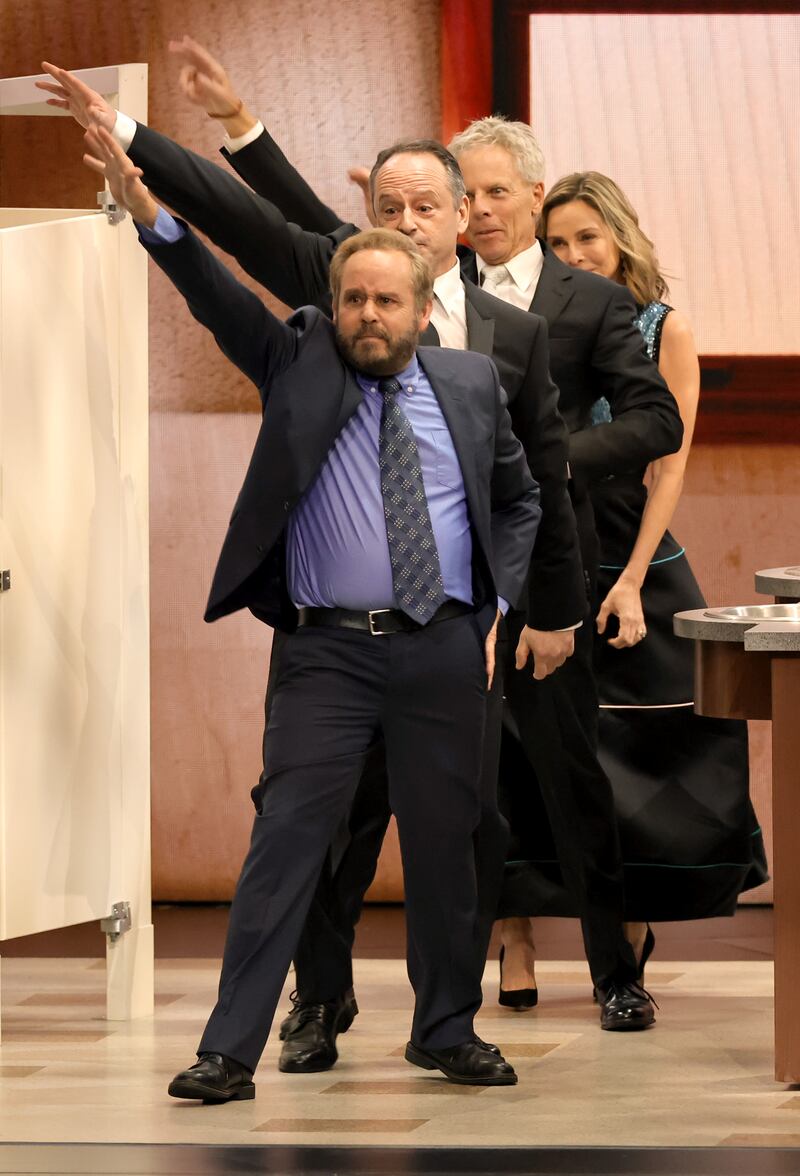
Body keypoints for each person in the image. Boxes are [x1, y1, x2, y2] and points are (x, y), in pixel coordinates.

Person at [39, 55, 683, 1037]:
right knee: (331, 822)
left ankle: (477, 1011)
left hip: (484, 611)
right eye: (389, 206)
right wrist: (137, 143)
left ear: (462, 215)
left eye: (427, 206)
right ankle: (318, 1003)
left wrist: (539, 608)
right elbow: (248, 223)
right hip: (344, 623)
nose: (407, 223)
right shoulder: (353, 297)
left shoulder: (509, 334)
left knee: (487, 815)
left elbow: (540, 484)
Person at [83, 123, 542, 1096]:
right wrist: (152, 220)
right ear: (331, 306)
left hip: (441, 650)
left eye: (385, 301)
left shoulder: (471, 386)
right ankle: (226, 1049)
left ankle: (444, 1028)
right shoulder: (297, 357)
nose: (366, 316)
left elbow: (519, 498)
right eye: (352, 300)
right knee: (285, 843)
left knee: (448, 845)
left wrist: (491, 602)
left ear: (423, 311)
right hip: (326, 657)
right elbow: (215, 296)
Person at [501, 171, 765, 966]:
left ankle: (628, 914)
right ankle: (512, 933)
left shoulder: (661, 326)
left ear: (622, 236)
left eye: (588, 237)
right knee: (516, 742)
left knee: (648, 741)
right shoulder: (529, 311)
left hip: (630, 542)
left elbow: (669, 462)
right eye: (557, 242)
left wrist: (633, 578)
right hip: (547, 537)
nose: (574, 254)